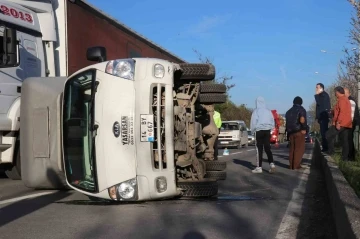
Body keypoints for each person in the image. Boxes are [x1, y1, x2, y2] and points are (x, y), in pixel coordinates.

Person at [326, 86, 352, 161]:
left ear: (338, 92)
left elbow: (342, 111)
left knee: (328, 134)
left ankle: (331, 151)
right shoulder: (345, 99)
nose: (335, 94)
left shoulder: (342, 100)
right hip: (347, 123)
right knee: (344, 140)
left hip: (341, 123)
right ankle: (345, 158)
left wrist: (338, 122)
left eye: (335, 92)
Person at [250, 96, 276, 173]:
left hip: (259, 131)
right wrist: (271, 129)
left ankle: (259, 167)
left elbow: (253, 122)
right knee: (268, 148)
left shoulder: (256, 111)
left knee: (259, 149)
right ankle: (272, 164)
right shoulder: (268, 111)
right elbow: (272, 121)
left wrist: (252, 131)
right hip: (267, 131)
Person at [285, 96, 307, 170]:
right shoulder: (301, 109)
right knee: (299, 149)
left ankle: (291, 165)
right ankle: (296, 165)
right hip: (299, 131)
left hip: (290, 132)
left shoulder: (288, 111)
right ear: (301, 102)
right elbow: (302, 119)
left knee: (292, 149)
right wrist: (304, 128)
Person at [314, 83, 331, 152]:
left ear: (321, 88)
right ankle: (325, 147)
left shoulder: (324, 95)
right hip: (321, 117)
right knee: (322, 132)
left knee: (324, 132)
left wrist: (317, 95)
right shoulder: (321, 95)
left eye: (317, 87)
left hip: (324, 116)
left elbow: (320, 104)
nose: (316, 89)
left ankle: (326, 147)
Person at [344, 87, 360, 161]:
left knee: (349, 139)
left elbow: (351, 114)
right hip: (351, 122)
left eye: (344, 93)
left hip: (350, 123)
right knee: (348, 139)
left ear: (348, 93)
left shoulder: (350, 101)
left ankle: (350, 156)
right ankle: (349, 156)